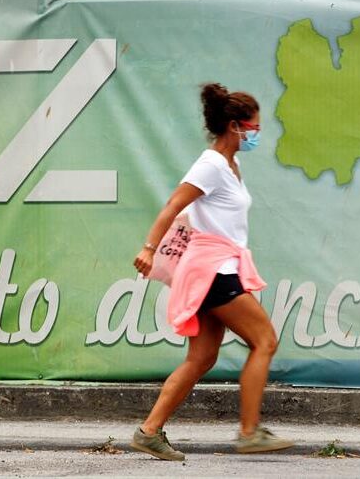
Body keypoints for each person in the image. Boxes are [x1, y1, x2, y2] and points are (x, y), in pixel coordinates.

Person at [130, 83, 293, 461]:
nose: (257, 134)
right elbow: (174, 204)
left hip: (217, 267)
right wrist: (149, 248)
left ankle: (149, 431)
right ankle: (250, 433)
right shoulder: (212, 165)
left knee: (202, 358)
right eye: (253, 127)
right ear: (235, 126)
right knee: (265, 340)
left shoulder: (232, 165)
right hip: (213, 271)